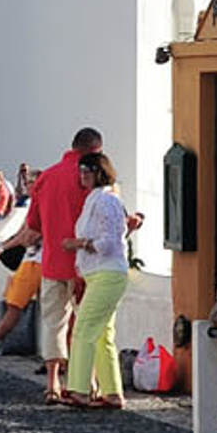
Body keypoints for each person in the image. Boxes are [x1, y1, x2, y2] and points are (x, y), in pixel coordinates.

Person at [20, 128, 102, 400]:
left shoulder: (47, 177)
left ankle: (53, 383)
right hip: (86, 264)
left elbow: (33, 226)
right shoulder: (90, 177)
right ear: (95, 150)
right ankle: (86, 381)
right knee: (86, 325)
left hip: (53, 261)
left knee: (54, 323)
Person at [62, 150, 141, 409]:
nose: (82, 175)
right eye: (81, 170)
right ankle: (111, 392)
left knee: (83, 329)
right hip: (99, 274)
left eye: (87, 170)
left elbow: (109, 243)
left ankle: (79, 389)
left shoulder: (106, 201)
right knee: (102, 334)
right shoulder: (95, 200)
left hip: (107, 274)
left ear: (99, 173)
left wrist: (78, 243)